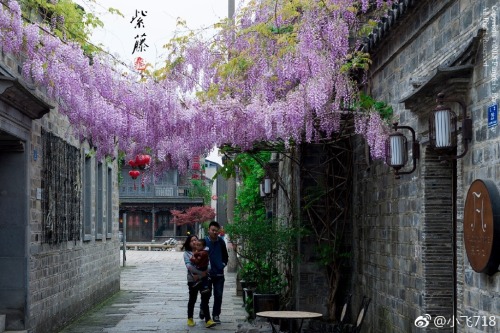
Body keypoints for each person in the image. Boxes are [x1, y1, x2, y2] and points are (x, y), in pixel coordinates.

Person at [182, 235, 216, 328]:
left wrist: (201, 275)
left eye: (195, 240)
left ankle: (208, 320)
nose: (194, 242)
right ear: (189, 243)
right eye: (192, 240)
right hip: (192, 280)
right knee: (192, 299)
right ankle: (190, 318)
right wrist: (200, 274)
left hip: (204, 279)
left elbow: (209, 266)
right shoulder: (187, 254)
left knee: (205, 299)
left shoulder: (204, 252)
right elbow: (189, 267)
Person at [200, 221, 228, 325]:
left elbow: (225, 256)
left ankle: (216, 315)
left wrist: (222, 264)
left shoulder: (221, 242)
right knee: (206, 294)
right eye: (213, 230)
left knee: (218, 295)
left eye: (217, 230)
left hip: (219, 274)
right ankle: (203, 309)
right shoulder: (204, 242)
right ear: (209, 230)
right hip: (207, 274)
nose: (215, 232)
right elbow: (198, 255)